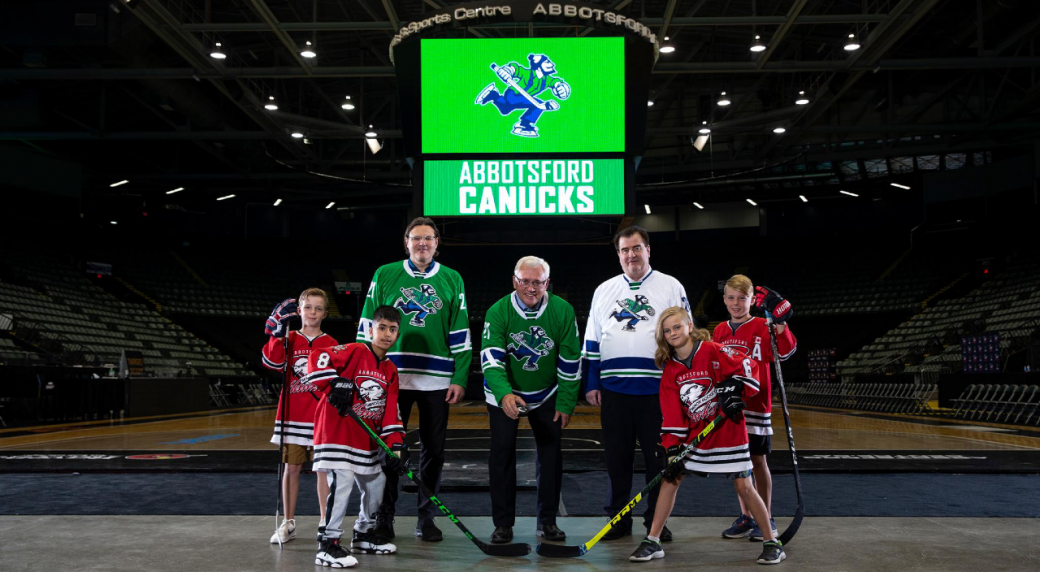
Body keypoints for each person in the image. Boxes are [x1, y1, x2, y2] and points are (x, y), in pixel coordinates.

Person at [628, 307, 785, 565]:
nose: (673, 333)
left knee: (744, 486)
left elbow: (750, 365)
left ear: (689, 326)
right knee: (671, 479)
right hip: (696, 437)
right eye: (667, 330)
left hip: (729, 433)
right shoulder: (671, 370)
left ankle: (772, 542)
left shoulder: (712, 350)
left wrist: (736, 388)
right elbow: (672, 414)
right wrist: (672, 449)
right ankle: (653, 540)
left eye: (677, 327)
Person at [358, 217, 471, 542]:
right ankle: (385, 517)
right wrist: (365, 371)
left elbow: (461, 331)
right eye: (416, 238)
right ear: (406, 242)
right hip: (391, 378)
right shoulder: (385, 273)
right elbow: (367, 325)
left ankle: (426, 517)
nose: (423, 243)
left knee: (434, 452)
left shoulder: (452, 278)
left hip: (437, 380)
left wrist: (460, 377)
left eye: (428, 238)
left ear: (437, 243)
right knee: (389, 451)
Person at [583, 226, 690, 541]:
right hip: (614, 391)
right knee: (617, 460)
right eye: (625, 250)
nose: (631, 255)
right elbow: (592, 339)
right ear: (618, 254)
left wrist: (684, 382)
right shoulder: (604, 290)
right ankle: (618, 519)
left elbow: (686, 337)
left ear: (648, 250)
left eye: (636, 248)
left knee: (659, 461)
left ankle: (656, 522)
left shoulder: (670, 286)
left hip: (658, 391)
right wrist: (592, 382)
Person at [481, 256, 581, 543]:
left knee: (551, 456)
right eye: (525, 281)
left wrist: (565, 403)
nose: (531, 288)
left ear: (547, 283)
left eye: (537, 282)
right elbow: (491, 360)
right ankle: (503, 524)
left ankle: (547, 521)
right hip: (504, 392)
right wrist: (504, 394)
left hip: (547, 392)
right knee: (501, 455)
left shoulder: (562, 310)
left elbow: (570, 361)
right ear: (515, 281)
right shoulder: (497, 311)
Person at [302, 305, 407, 568]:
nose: (387, 334)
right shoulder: (355, 350)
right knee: (344, 480)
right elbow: (318, 356)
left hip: (364, 438)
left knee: (377, 481)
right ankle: (327, 543)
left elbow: (390, 413)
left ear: (398, 334)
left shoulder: (391, 370)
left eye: (392, 329)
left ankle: (363, 533)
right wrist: (333, 383)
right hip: (336, 431)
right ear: (371, 330)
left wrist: (395, 448)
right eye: (382, 327)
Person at [713, 276, 796, 542]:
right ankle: (746, 516)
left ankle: (766, 517)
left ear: (752, 300)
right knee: (738, 463)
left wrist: (781, 322)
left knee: (758, 460)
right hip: (731, 407)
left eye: (742, 298)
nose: (736, 303)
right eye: (731, 298)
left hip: (757, 405)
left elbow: (785, 352)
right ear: (724, 299)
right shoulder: (720, 331)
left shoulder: (763, 325)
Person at [262, 288, 339, 544]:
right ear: (299, 311)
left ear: (325, 313)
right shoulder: (289, 337)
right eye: (308, 307)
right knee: (291, 468)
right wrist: (275, 334)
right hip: (292, 414)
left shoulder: (332, 343)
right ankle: (288, 522)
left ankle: (325, 522)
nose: (312, 312)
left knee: (322, 470)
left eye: (318, 308)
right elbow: (272, 363)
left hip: (321, 417)